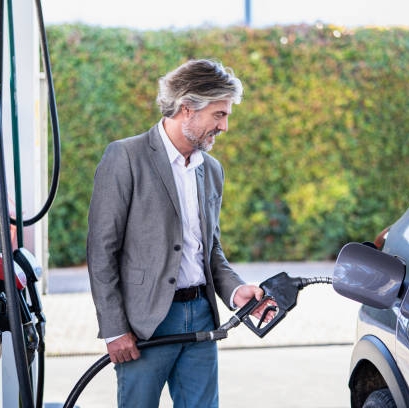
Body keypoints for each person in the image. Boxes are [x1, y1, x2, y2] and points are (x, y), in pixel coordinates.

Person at [87, 59, 271, 407]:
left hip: (201, 316)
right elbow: (101, 252)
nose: (225, 126)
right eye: (219, 114)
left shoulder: (211, 170)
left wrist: (235, 292)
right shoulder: (126, 157)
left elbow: (210, 250)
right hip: (145, 324)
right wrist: (114, 328)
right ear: (187, 109)